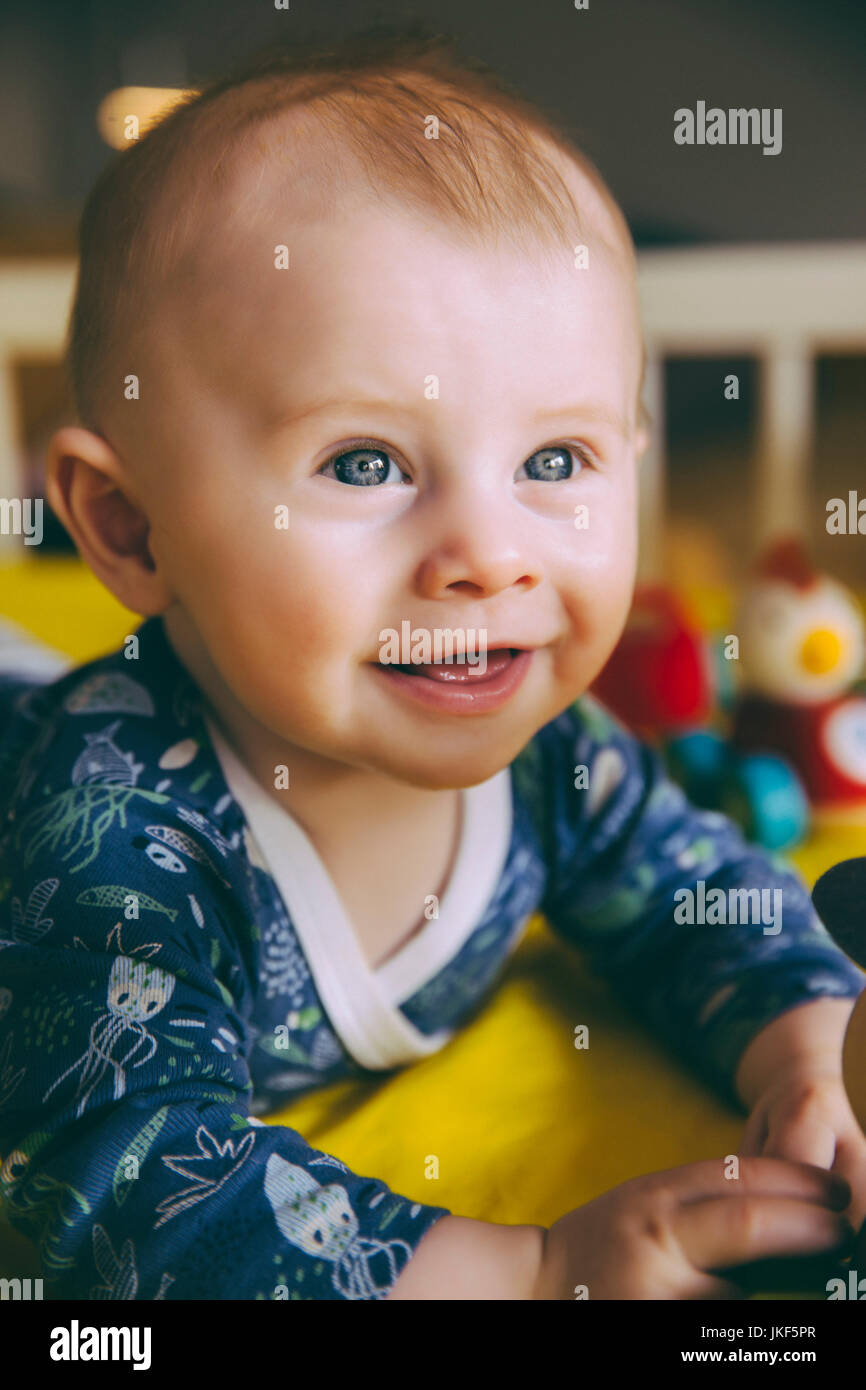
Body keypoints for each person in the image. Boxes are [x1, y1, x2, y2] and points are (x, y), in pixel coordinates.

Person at [0, 27, 863, 1301]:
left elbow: (694, 894)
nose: (486, 558)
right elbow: (129, 1182)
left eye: (554, 462)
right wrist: (537, 1267)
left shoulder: (547, 742)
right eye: (364, 464)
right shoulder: (117, 830)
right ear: (130, 528)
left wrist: (804, 1060)